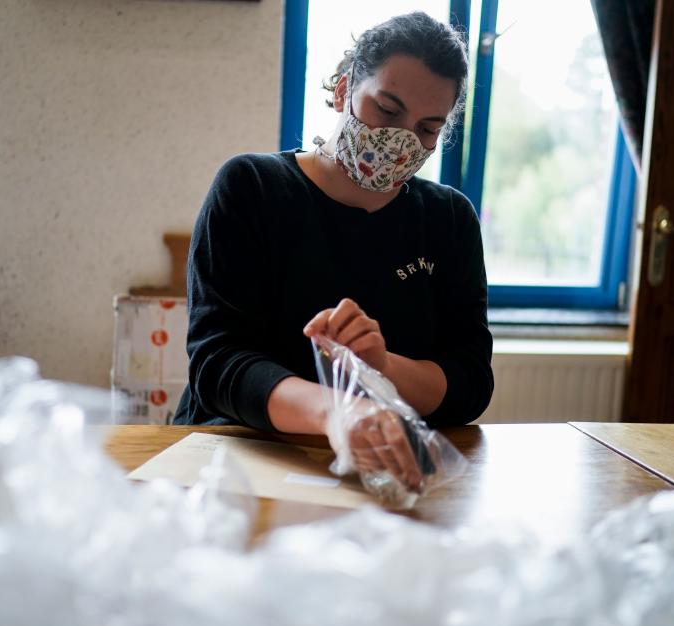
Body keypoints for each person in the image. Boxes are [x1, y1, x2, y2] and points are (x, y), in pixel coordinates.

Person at [174, 12, 493, 489]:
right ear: (344, 89)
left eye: (427, 128)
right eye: (387, 110)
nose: (401, 140)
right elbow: (218, 364)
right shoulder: (252, 188)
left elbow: (469, 383)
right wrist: (338, 413)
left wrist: (382, 369)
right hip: (234, 465)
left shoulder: (448, 220)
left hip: (380, 475)